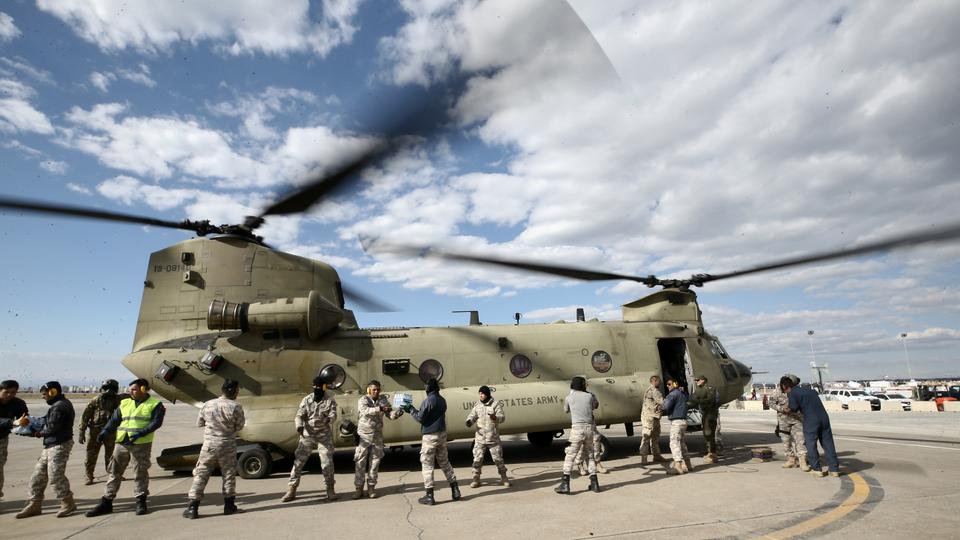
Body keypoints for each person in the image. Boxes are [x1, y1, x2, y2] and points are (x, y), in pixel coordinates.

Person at [85, 378, 165, 517]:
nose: (130, 392)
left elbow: (156, 423)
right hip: (122, 443)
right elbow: (114, 420)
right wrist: (105, 432)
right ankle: (107, 502)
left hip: (141, 444)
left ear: (143, 389)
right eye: (130, 389)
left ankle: (141, 501)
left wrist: (141, 433)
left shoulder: (155, 404)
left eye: (134, 389)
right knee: (114, 472)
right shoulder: (125, 403)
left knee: (140, 472)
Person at [183, 379, 246, 519]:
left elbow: (200, 422)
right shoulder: (236, 407)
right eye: (237, 390)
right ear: (234, 391)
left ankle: (193, 507)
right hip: (227, 444)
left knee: (201, 473)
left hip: (209, 444)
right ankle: (229, 506)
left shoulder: (208, 404)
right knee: (229, 473)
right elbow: (240, 426)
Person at [15, 381, 76, 519]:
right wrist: (31, 422)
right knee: (38, 476)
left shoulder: (60, 406)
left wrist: (35, 433)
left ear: (52, 392)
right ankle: (34, 504)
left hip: (59, 445)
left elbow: (53, 428)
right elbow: (47, 421)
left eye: (44, 394)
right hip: (50, 445)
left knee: (55, 476)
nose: (43, 397)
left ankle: (67, 502)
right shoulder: (58, 405)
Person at [282, 375, 338, 503]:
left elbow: (334, 414)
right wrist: (299, 427)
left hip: (324, 436)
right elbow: (299, 415)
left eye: (320, 387)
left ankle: (330, 489)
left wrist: (329, 419)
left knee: (327, 463)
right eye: (316, 387)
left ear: (324, 387)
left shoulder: (330, 400)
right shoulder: (307, 400)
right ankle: (292, 489)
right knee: (298, 462)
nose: (318, 389)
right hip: (307, 435)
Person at [407, 378, 460, 505]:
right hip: (441, 434)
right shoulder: (442, 400)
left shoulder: (428, 401)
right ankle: (455, 489)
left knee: (427, 464)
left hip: (430, 436)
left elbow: (421, 418)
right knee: (444, 462)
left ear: (428, 388)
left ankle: (429, 495)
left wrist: (410, 409)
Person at [353, 380, 402, 499]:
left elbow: (389, 414)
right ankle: (359, 489)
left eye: (378, 389)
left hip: (377, 437)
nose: (376, 392)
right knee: (360, 462)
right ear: (369, 390)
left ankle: (371, 488)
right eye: (374, 389)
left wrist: (396, 414)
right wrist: (379, 408)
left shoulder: (383, 400)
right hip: (364, 436)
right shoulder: (363, 400)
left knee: (375, 463)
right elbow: (365, 411)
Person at [783, 376, 840, 477]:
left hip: (811, 419)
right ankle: (834, 469)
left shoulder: (792, 393)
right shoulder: (809, 390)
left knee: (811, 444)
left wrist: (786, 410)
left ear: (785, 386)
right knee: (828, 443)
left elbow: (794, 408)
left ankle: (817, 469)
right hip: (824, 417)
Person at [555, 376, 600, 494]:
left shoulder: (569, 397)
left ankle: (565, 484)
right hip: (589, 428)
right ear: (583, 385)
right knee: (590, 455)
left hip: (577, 429)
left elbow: (566, 410)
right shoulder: (590, 396)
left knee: (570, 455)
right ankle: (595, 483)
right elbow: (595, 405)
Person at [78, 379, 126, 485]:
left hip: (110, 431)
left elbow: (131, 395)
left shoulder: (118, 399)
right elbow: (85, 415)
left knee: (111, 455)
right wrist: (82, 431)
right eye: (106, 388)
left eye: (112, 389)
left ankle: (112, 474)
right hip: (95, 431)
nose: (108, 391)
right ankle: (88, 475)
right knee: (91, 455)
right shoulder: (96, 400)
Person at [466, 385, 510, 487]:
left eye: (482, 393)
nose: (481, 395)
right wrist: (469, 421)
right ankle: (476, 479)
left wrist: (495, 417)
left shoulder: (495, 405)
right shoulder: (477, 405)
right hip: (480, 438)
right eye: (480, 394)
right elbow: (472, 415)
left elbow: (502, 418)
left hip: (492, 438)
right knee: (477, 459)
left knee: (498, 459)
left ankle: (504, 478)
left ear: (487, 394)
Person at [768, 374, 808, 471]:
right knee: (786, 441)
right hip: (783, 421)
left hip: (797, 420)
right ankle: (791, 460)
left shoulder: (796, 391)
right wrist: (781, 409)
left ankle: (803, 461)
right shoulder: (776, 392)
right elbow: (771, 403)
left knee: (800, 440)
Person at [1, 380, 29, 501]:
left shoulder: (18, 403)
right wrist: (12, 422)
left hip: (1, 439)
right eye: (6, 392)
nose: (9, 395)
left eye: (13, 392)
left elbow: (25, 418)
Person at [660, 377, 691, 475]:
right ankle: (688, 465)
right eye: (667, 384)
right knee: (682, 443)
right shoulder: (683, 394)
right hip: (684, 421)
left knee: (674, 444)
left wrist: (660, 404)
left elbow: (665, 406)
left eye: (669, 384)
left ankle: (678, 467)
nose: (667, 386)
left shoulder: (672, 394)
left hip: (676, 422)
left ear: (675, 383)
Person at [687, 375, 721, 463]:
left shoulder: (710, 389)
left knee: (709, 434)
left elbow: (711, 401)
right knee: (706, 434)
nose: (696, 382)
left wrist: (698, 401)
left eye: (698, 380)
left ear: (703, 380)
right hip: (705, 414)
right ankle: (709, 451)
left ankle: (713, 454)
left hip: (710, 414)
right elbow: (692, 400)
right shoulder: (699, 390)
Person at [638, 375, 665, 465]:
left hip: (654, 417)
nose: (660, 383)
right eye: (659, 381)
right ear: (654, 381)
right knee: (646, 436)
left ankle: (656, 456)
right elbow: (663, 403)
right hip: (649, 417)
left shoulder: (650, 389)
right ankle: (644, 458)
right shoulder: (654, 391)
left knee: (655, 437)